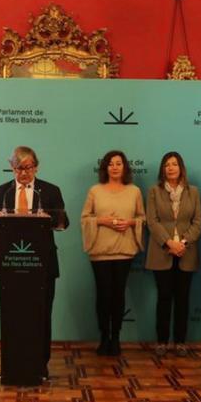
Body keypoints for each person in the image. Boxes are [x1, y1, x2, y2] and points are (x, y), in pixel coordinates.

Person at [0, 146, 68, 379]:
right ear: (12, 168)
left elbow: (63, 222)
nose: (24, 173)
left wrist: (51, 219)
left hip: (43, 266)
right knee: (13, 316)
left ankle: (40, 365)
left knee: (41, 315)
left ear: (36, 167)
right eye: (19, 168)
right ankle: (12, 364)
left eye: (28, 168)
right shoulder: (2, 192)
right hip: (11, 266)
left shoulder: (49, 191)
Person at [80, 150, 144, 356]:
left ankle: (116, 337)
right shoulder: (95, 191)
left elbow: (143, 218)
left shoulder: (134, 191)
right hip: (100, 252)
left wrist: (130, 222)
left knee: (118, 295)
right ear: (105, 168)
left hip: (124, 252)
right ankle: (103, 337)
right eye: (110, 164)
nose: (115, 167)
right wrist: (101, 221)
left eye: (119, 163)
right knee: (103, 295)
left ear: (125, 167)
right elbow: (84, 218)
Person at [144, 151, 201, 357]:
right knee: (164, 297)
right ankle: (161, 341)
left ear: (181, 168)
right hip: (162, 252)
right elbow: (152, 221)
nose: (170, 168)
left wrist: (182, 242)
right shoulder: (154, 191)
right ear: (162, 169)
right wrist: (168, 242)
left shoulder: (193, 191)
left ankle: (180, 341)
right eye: (167, 164)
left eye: (174, 164)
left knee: (183, 299)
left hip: (186, 252)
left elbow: (197, 223)